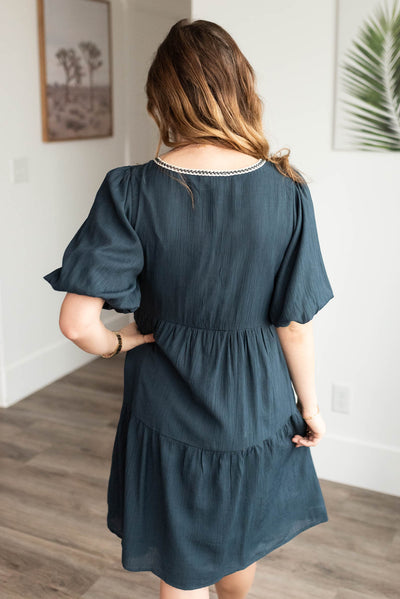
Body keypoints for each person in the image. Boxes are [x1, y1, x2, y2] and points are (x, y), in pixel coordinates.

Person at [43, 18, 334, 599]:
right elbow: (293, 325)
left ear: (162, 97)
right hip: (255, 403)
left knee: (180, 562)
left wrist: (122, 341)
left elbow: (78, 325)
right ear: (240, 88)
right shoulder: (287, 188)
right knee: (240, 534)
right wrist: (311, 407)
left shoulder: (130, 188)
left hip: (168, 403)